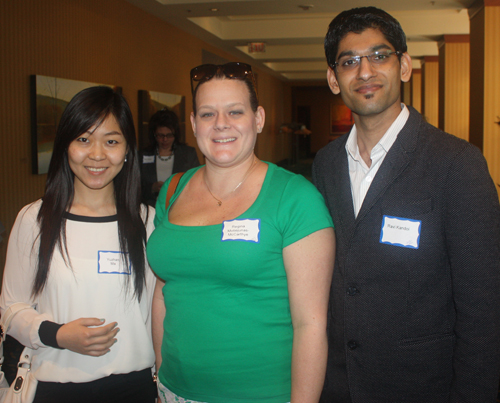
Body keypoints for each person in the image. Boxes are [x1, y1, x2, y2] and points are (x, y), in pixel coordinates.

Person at [312, 7, 500, 403]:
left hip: (421, 387)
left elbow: (484, 309)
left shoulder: (456, 164)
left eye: (379, 56)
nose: (365, 72)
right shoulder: (325, 164)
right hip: (338, 386)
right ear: (333, 79)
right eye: (349, 61)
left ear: (404, 66)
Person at [147, 62, 335, 403]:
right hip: (174, 390)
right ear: (193, 123)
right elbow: (163, 293)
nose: (221, 124)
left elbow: (311, 326)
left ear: (258, 118)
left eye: (235, 111)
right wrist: (161, 374)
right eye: (207, 114)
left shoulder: (295, 198)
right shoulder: (172, 191)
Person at [0, 86, 157, 403]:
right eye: (83, 139)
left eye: (111, 141)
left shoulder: (148, 222)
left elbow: (161, 311)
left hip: (135, 389)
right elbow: (10, 308)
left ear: (127, 150)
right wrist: (57, 334)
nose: (97, 154)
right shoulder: (36, 220)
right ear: (66, 146)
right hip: (57, 390)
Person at [140, 108, 200, 206]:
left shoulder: (188, 154)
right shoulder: (143, 155)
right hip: (150, 209)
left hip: (180, 208)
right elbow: (134, 187)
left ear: (176, 134)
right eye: (160, 135)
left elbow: (197, 184)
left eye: (169, 135)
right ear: (154, 134)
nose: (165, 139)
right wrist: (151, 188)